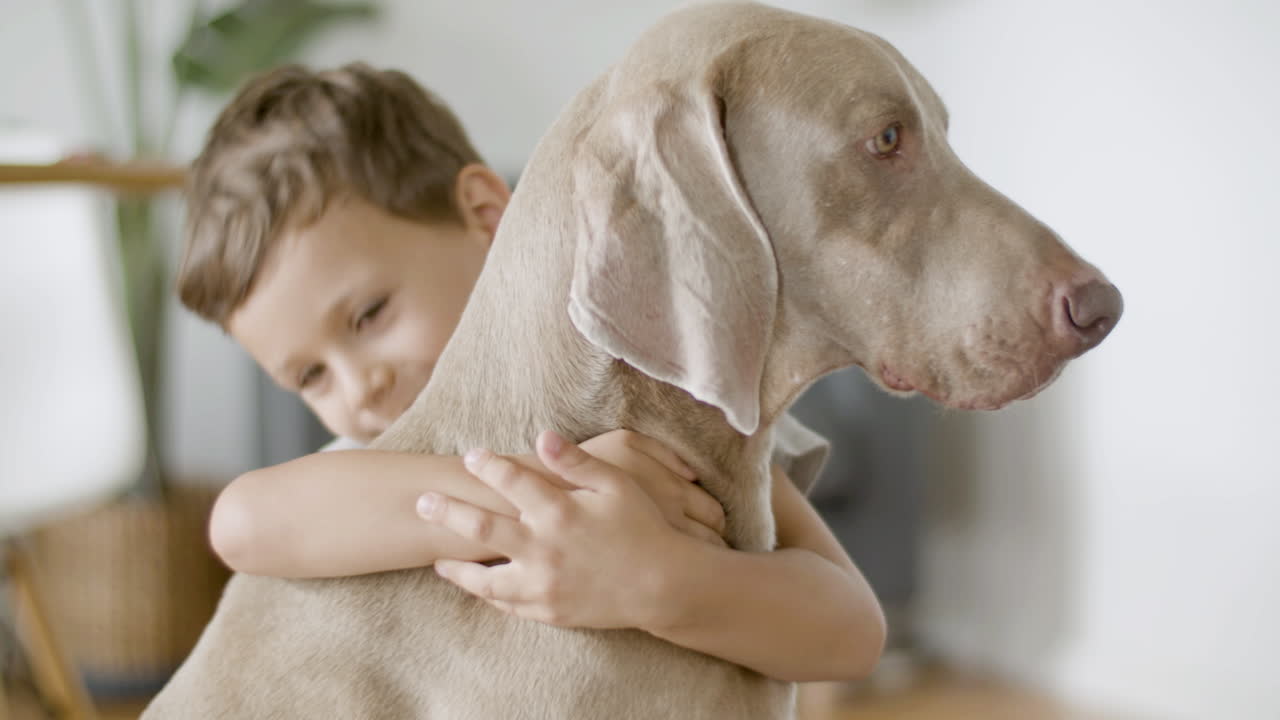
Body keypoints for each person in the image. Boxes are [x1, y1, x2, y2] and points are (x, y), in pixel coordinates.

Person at [177, 62, 885, 683]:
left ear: (486, 216)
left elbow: (853, 632)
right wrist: (544, 496)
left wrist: (656, 579)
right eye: (311, 377)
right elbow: (241, 523)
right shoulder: (371, 475)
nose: (358, 387)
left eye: (369, 315)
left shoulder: (645, 399)